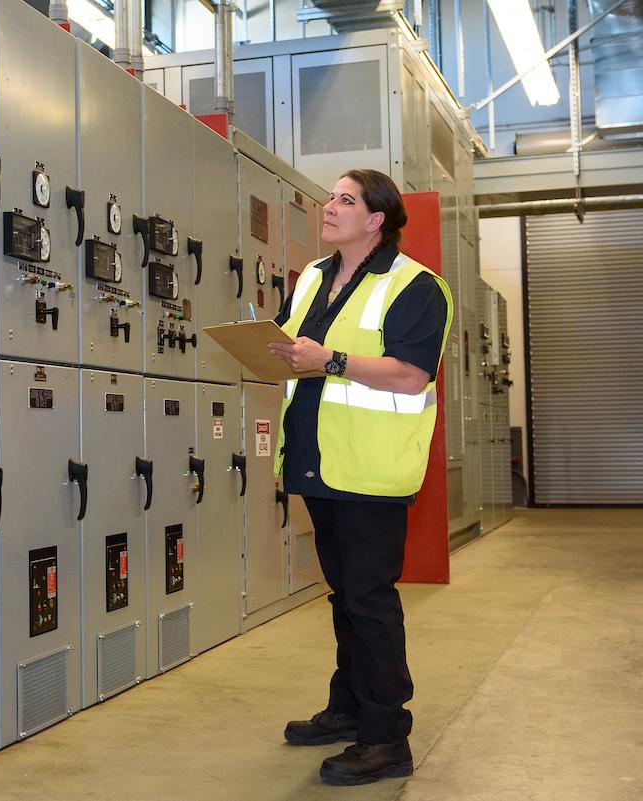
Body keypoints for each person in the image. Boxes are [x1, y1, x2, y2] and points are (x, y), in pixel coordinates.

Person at [267, 169, 452, 786]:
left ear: (376, 219)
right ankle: (348, 708)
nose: (331, 205)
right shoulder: (314, 279)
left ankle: (385, 736)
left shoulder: (416, 287)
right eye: (331, 196)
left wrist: (332, 360)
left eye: (347, 200)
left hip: (371, 470)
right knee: (344, 595)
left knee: (370, 601)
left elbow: (411, 374)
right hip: (317, 461)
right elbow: (296, 352)